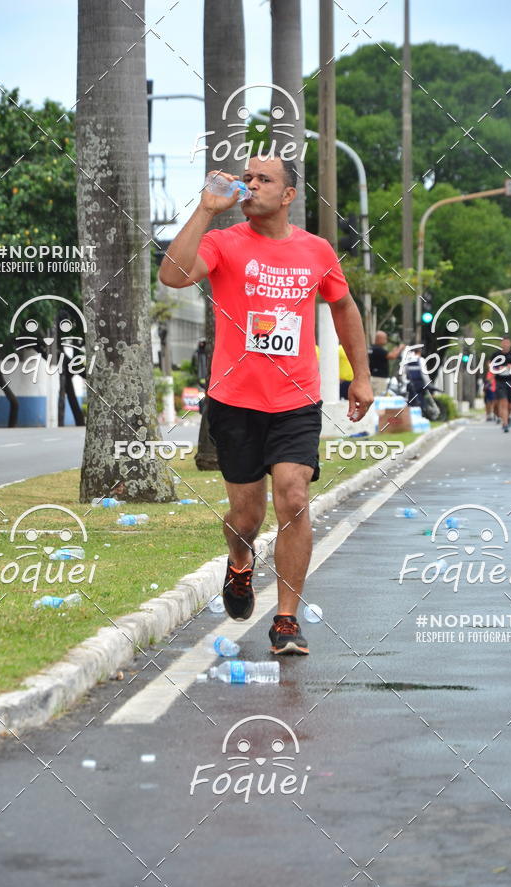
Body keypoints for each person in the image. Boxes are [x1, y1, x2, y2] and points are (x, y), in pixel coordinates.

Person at [159, 154, 373, 655]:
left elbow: (343, 306)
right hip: (234, 401)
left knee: (294, 498)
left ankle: (286, 620)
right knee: (246, 517)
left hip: (296, 399)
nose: (251, 185)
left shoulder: (316, 250)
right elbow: (172, 276)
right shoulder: (223, 242)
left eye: (264, 179)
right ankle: (240, 563)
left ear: (288, 195)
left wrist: (361, 377)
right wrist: (206, 209)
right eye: (247, 178)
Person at [489, 336, 511, 433]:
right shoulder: (496, 354)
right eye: (504, 342)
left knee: (510, 406)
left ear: (510, 344)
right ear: (501, 344)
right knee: (503, 403)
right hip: (500, 381)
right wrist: (497, 368)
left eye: (507, 342)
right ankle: (505, 424)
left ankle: (507, 417)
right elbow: (490, 364)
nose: (505, 344)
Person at [368, 331, 405, 396]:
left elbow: (389, 354)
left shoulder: (372, 348)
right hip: (379, 378)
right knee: (379, 396)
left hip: (373, 376)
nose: (386, 340)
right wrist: (400, 348)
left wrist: (395, 350)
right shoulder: (378, 349)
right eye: (385, 338)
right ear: (379, 339)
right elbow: (392, 356)